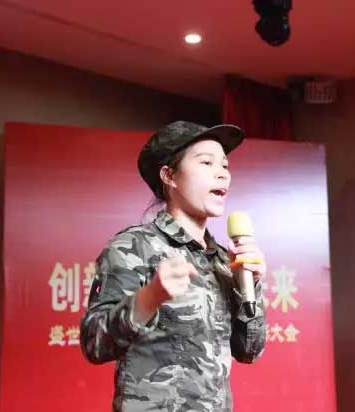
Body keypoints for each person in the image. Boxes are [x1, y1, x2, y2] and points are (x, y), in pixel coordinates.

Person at [80, 121, 267, 412]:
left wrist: (249, 284)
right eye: (206, 162)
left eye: (225, 165)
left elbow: (249, 351)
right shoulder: (133, 246)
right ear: (169, 176)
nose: (222, 173)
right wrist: (149, 297)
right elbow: (94, 344)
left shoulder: (223, 260)